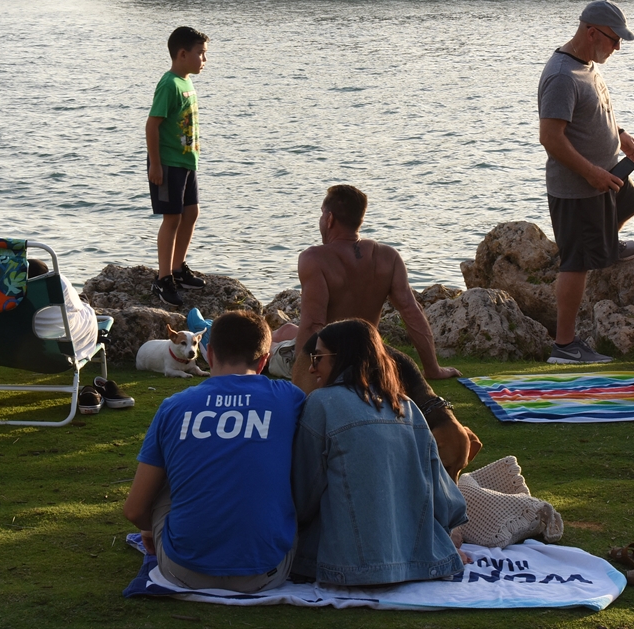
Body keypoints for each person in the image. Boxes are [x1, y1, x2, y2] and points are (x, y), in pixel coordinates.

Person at [274, 184, 481, 480]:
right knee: (286, 330)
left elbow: (312, 326)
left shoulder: (314, 258)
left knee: (282, 338)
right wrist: (433, 368)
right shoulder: (387, 257)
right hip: (372, 352)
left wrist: (302, 382)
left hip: (326, 352)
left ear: (329, 219)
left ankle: (238, 348)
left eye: (322, 215)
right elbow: (411, 312)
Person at [122, 311, 304, 593]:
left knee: (171, 469)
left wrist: (148, 529)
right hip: (267, 573)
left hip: (182, 571)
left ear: (209, 353)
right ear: (265, 360)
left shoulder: (174, 406)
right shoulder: (289, 397)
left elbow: (134, 509)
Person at [291, 319, 468, 586]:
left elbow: (302, 496)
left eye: (318, 357)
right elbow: (446, 501)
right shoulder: (408, 406)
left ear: (342, 359)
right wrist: (443, 540)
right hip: (423, 563)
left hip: (347, 566)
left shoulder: (320, 403)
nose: (312, 367)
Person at [537, 0, 634, 365]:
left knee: (631, 202)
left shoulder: (587, 66)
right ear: (592, 32)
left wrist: (620, 133)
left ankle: (607, 243)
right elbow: (551, 137)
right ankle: (565, 346)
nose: (618, 47)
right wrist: (590, 172)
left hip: (602, 175)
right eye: (615, 40)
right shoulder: (561, 75)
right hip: (577, 186)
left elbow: (591, 112)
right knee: (576, 262)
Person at [146, 26, 209, 308]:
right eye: (200, 54)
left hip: (186, 161)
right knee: (171, 218)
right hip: (168, 163)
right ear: (182, 54)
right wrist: (155, 165)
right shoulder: (169, 83)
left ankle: (178, 267)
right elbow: (152, 125)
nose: (204, 60)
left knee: (191, 213)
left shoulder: (187, 82)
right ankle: (163, 279)